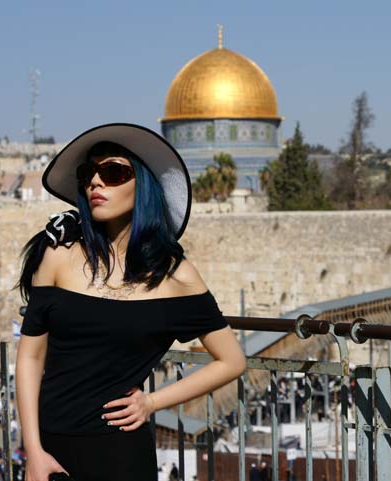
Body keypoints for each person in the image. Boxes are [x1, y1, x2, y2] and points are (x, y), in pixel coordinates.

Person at [14, 123, 247, 481]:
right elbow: (30, 357)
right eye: (88, 173)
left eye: (112, 171)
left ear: (143, 186)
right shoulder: (57, 255)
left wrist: (152, 401)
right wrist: (33, 451)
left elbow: (231, 360)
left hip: (122, 455)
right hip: (51, 454)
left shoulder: (176, 276)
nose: (95, 182)